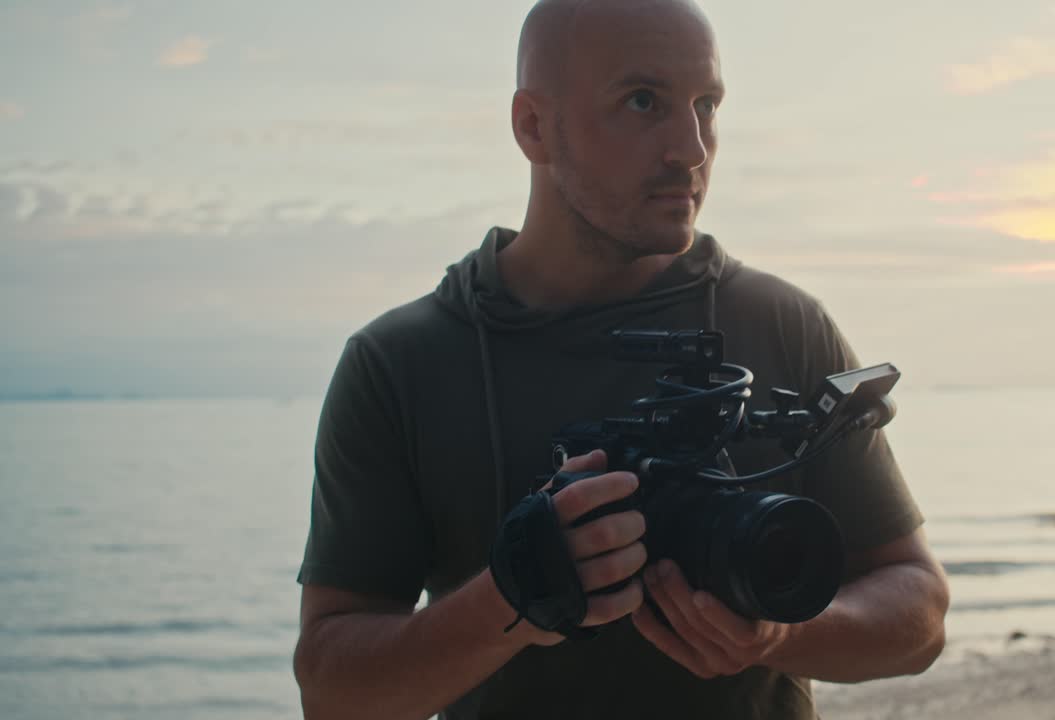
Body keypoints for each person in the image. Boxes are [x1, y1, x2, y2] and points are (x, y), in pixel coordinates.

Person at [291, 1, 950, 718]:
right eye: (644, 102)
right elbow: (331, 691)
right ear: (533, 126)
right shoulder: (401, 363)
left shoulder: (780, 324)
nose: (692, 148)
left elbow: (918, 615)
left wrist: (778, 634)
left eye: (706, 105)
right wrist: (511, 599)